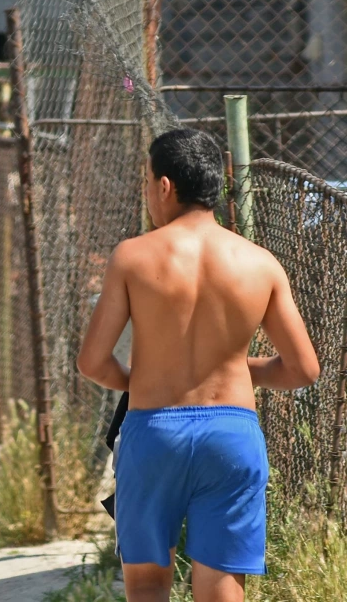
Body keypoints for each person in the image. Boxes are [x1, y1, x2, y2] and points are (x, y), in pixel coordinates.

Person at [77, 128, 319, 602]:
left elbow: (92, 362)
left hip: (154, 433)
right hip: (232, 434)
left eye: (147, 182)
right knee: (222, 591)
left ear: (165, 186)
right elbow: (303, 369)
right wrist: (241, 369)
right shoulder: (260, 263)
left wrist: (139, 381)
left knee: (147, 586)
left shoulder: (133, 257)